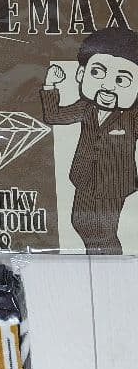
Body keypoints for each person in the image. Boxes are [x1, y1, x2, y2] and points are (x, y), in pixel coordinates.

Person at [41, 26, 138, 254]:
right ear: (81, 74)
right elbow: (55, 116)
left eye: (122, 80)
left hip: (114, 185)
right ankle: (94, 257)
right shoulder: (86, 107)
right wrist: (50, 85)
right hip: (84, 178)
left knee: (103, 231)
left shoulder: (132, 116)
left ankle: (111, 264)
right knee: (80, 222)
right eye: (98, 73)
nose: (108, 86)